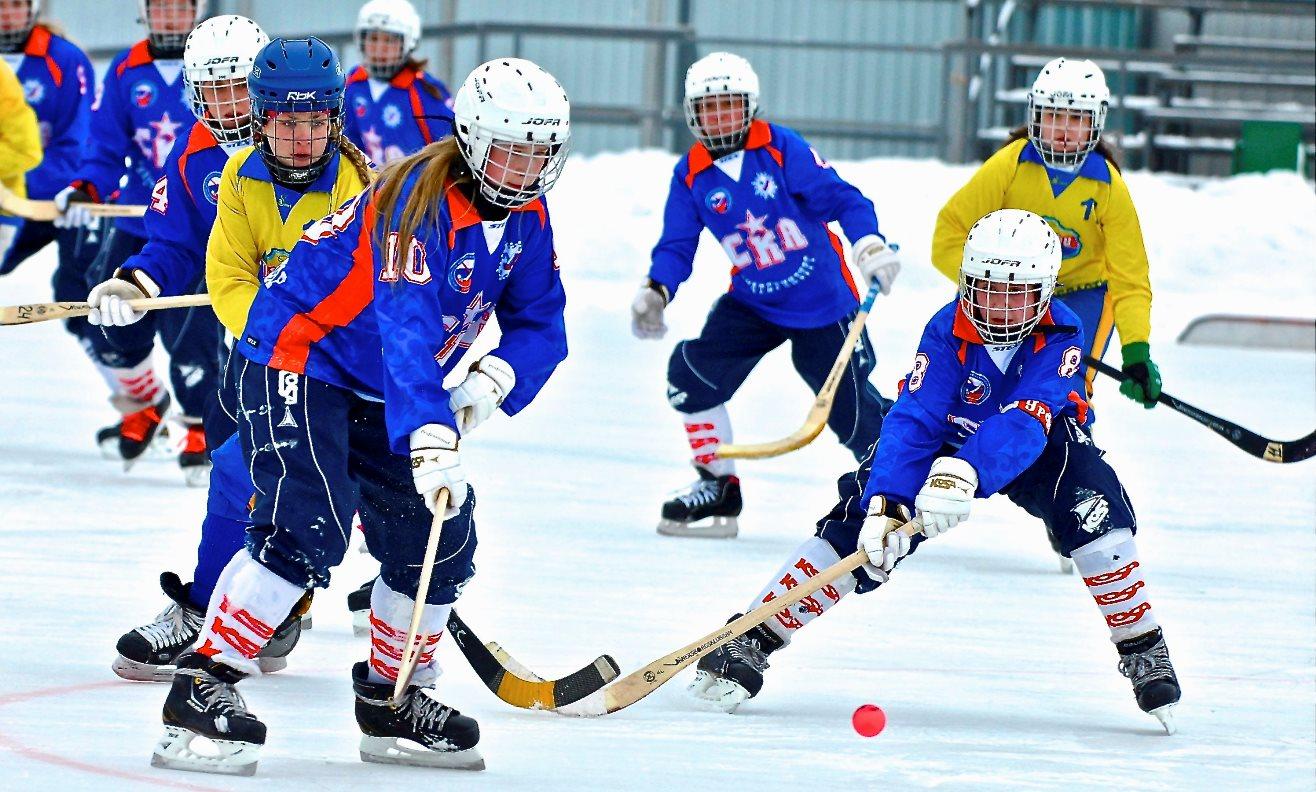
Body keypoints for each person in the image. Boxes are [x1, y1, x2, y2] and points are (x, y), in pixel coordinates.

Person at [150, 56, 570, 776]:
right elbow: (404, 324)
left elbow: (541, 323)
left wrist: (494, 381)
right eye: (508, 150)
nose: (523, 170)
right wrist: (433, 433)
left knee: (438, 540)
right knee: (308, 524)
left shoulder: (528, 218)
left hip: (378, 383)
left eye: (540, 154)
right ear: (471, 139)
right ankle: (204, 682)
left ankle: (391, 698)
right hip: (296, 354)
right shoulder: (414, 200)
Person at [688, 209, 1181, 735]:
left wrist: (963, 474)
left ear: (1045, 290)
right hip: (947, 432)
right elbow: (916, 416)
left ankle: (1142, 643)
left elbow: (1027, 417)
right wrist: (887, 500)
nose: (1000, 306)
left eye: (1018, 293)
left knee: (1094, 508)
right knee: (861, 526)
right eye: (987, 288)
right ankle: (754, 633)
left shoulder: (1064, 332)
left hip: (1036, 443)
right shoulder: (946, 327)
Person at [108, 28, 374, 682]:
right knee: (242, 474)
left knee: (317, 484)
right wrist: (136, 282)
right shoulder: (206, 156)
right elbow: (180, 247)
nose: (226, 107)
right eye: (213, 91)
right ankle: (247, 606)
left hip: (331, 365)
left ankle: (265, 604)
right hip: (254, 354)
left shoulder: (349, 177)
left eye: (238, 89)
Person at [631, 51, 899, 539]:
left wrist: (869, 244)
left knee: (852, 414)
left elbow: (844, 199)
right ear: (692, 115)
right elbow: (676, 243)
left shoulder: (780, 148)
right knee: (690, 378)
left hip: (824, 303)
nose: (718, 119)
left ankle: (898, 483)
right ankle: (717, 485)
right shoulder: (691, 174)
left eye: (729, 106)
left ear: (750, 107)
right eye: (707, 109)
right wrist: (657, 288)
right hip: (753, 302)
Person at [933, 57, 1158, 410]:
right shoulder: (1009, 165)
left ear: (1095, 122)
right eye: (1053, 115)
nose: (1063, 129)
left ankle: (1072, 457)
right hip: (1009, 291)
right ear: (1035, 115)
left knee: (1065, 389)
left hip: (1082, 296)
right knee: (978, 383)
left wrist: (1136, 350)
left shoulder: (1108, 186)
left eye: (1076, 118)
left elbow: (1130, 278)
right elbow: (948, 236)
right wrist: (993, 290)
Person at [54, 0, 206, 465]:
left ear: (196, 12)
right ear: (145, 13)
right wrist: (85, 188)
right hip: (136, 218)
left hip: (196, 224)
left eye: (181, 8)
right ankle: (144, 406)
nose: (171, 18)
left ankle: (198, 427)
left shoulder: (210, 66)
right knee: (107, 316)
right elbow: (104, 145)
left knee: (192, 335)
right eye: (161, 8)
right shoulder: (126, 69)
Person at [0, 1, 100, 364]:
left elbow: (77, 143)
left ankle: (141, 408)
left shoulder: (64, 60)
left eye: (14, 4)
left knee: (81, 300)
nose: (6, 14)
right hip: (8, 205)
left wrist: (15, 187)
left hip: (61, 200)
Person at [343, 0, 452, 166]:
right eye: (373, 38)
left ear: (408, 42)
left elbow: (450, 148)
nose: (380, 48)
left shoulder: (425, 91)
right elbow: (346, 143)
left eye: (390, 40)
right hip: (371, 188)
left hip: (416, 188)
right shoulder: (354, 83)